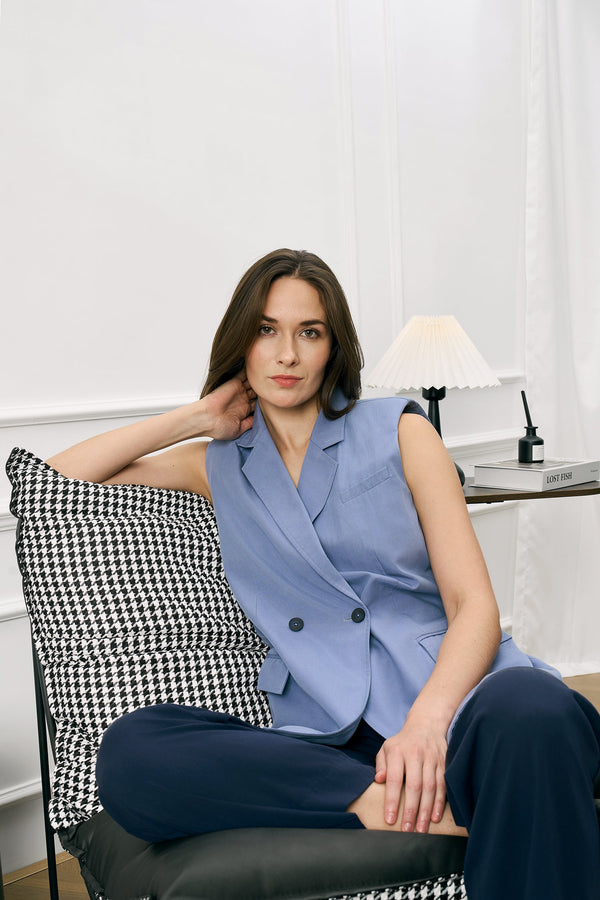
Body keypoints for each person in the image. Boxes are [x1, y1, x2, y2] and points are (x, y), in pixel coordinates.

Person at [47, 249, 600, 899]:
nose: (287, 354)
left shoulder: (400, 431)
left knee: (535, 706)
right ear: (241, 343)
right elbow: (52, 481)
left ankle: (464, 785)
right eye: (266, 330)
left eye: (308, 332)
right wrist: (195, 417)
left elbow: (472, 604)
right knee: (133, 751)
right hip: (331, 738)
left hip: (452, 705)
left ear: (333, 346)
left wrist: (427, 724)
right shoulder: (215, 464)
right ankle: (401, 805)